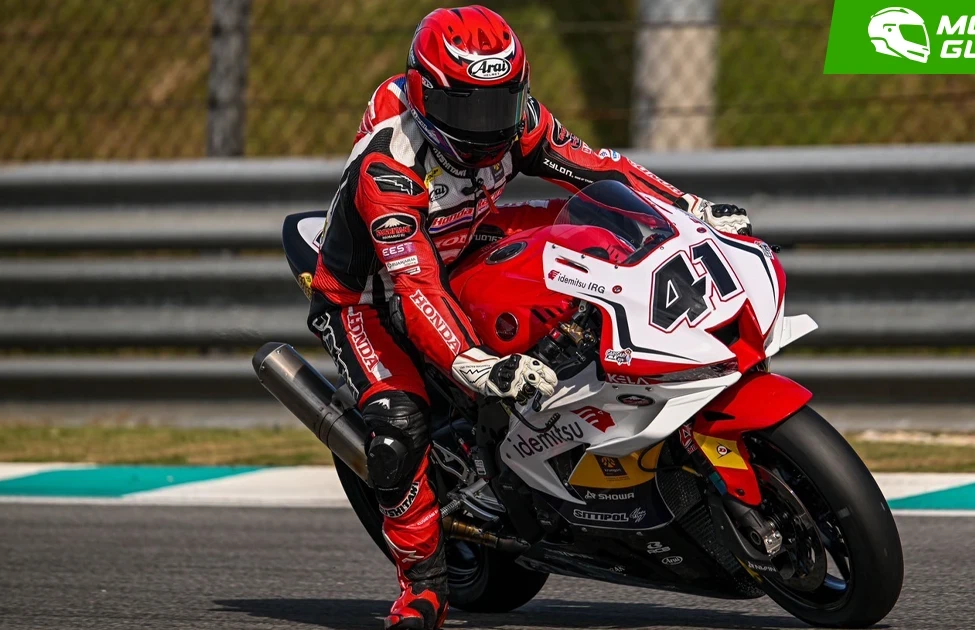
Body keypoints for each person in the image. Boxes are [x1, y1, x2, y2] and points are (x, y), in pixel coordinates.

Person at [306, 5, 750, 629]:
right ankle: (421, 588)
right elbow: (414, 284)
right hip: (369, 295)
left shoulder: (519, 120)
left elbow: (598, 167)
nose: (489, 127)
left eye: (503, 103)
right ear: (426, 95)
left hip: (465, 238)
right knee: (398, 428)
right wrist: (474, 363)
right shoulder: (390, 169)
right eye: (470, 111)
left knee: (599, 238)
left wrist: (690, 208)